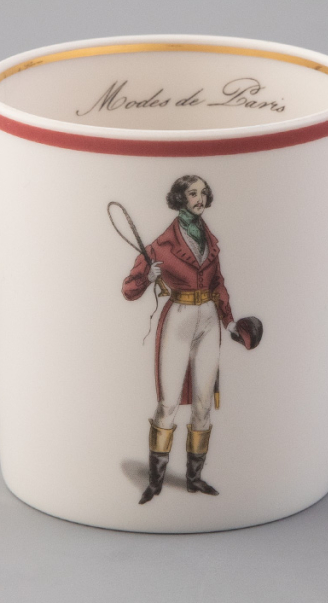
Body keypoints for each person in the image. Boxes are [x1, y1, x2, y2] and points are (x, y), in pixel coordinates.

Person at [122, 175, 238, 504]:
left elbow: (218, 284)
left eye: (203, 193)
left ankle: (194, 479)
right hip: (179, 319)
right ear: (180, 198)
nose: (199, 198)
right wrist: (148, 276)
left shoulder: (210, 240)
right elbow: (128, 289)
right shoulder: (161, 245)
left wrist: (229, 322)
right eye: (192, 193)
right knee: (168, 403)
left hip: (209, 320)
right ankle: (155, 482)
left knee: (203, 404)